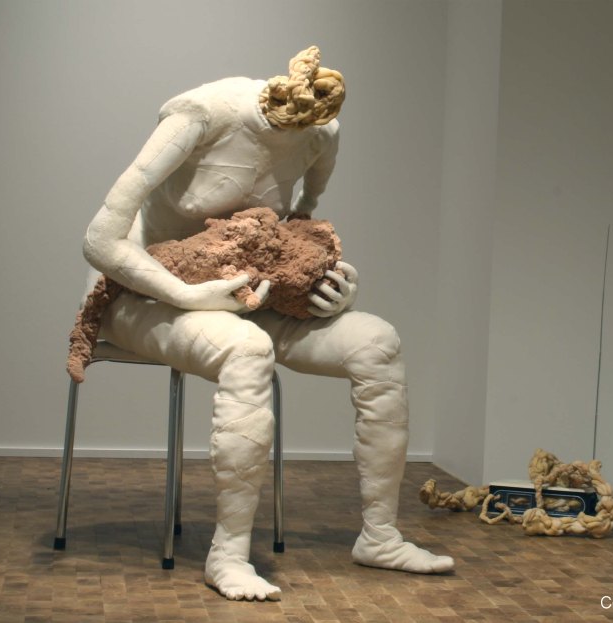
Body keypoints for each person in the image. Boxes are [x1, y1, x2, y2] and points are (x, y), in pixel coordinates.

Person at [81, 47, 453, 602]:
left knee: (377, 342)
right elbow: (100, 240)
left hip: (246, 292)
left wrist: (329, 283)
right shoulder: (200, 115)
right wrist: (187, 293)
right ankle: (228, 555)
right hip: (142, 291)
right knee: (247, 350)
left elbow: (300, 227)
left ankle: (380, 536)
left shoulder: (320, 135)